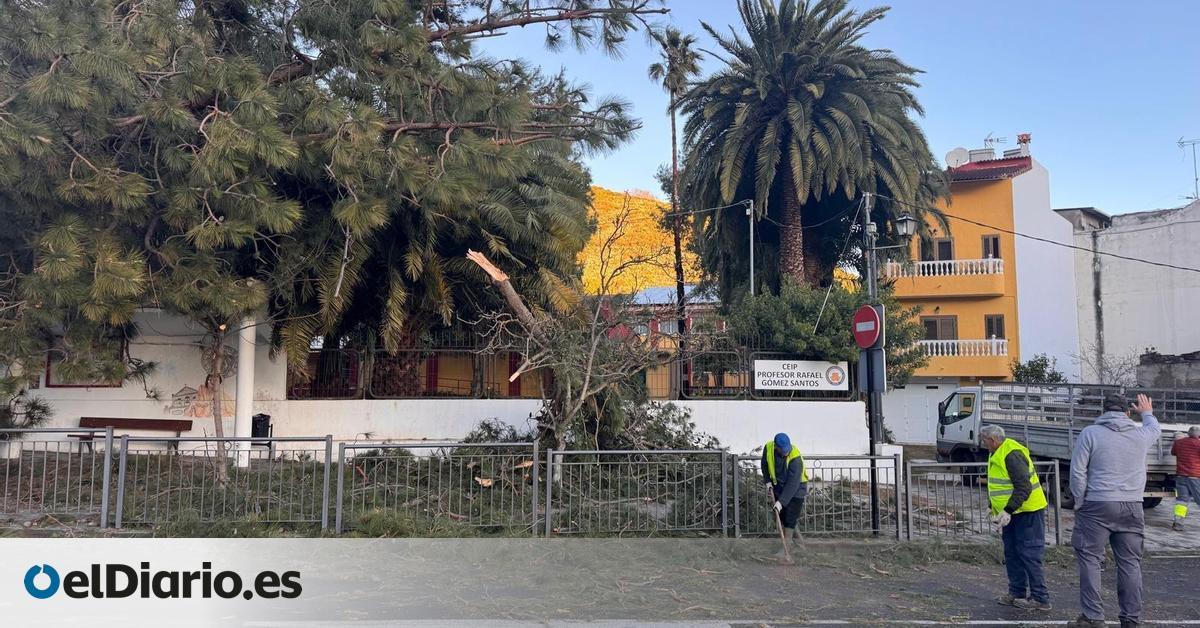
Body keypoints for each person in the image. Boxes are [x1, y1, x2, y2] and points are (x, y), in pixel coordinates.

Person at [1069, 393, 1160, 628]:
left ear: (1103, 411)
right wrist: (1147, 412)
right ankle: (1131, 619)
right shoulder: (1141, 435)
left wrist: (1080, 500)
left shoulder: (1090, 433)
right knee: (1130, 563)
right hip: (1132, 506)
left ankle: (1093, 617)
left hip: (1097, 504)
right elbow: (1154, 429)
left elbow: (1078, 471)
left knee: (1090, 559)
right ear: (1127, 413)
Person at [980, 424, 1051, 611]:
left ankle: (1040, 598)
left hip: (1027, 512)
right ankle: (1017, 592)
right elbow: (1000, 485)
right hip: (1012, 513)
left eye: (985, 441)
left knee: (1029, 554)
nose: (983, 444)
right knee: (1012, 553)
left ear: (993, 440)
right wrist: (992, 506)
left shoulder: (1012, 454)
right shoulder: (998, 452)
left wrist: (1008, 510)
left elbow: (1023, 487)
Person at [761, 432, 807, 554]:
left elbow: (793, 484)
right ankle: (800, 547)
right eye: (783, 450)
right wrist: (768, 482)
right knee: (784, 518)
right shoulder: (769, 448)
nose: (786, 452)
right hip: (779, 487)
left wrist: (781, 502)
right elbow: (764, 464)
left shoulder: (795, 458)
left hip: (797, 489)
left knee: (790, 517)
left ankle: (785, 551)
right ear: (776, 447)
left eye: (787, 449)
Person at [1171, 426, 1200, 531]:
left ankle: (1178, 524)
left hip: (1181, 476)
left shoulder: (1179, 443)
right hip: (1195, 476)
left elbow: (1173, 453)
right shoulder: (1198, 443)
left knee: (1182, 501)